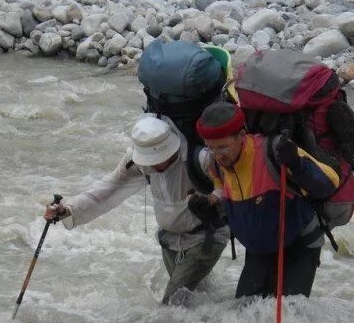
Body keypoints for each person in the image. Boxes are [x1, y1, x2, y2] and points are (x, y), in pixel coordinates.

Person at [43, 116, 229, 305]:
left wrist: (211, 199)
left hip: (205, 238)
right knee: (195, 301)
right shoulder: (138, 162)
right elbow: (107, 189)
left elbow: (232, 185)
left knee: (172, 305)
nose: (153, 166)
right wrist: (66, 209)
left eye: (158, 160)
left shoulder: (201, 158)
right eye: (150, 161)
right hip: (170, 241)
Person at [191, 102, 341, 299]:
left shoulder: (274, 151)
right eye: (211, 148)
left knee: (291, 317)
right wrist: (209, 208)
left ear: (242, 135)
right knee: (245, 317)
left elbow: (330, 183)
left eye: (223, 147)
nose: (218, 155)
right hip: (260, 249)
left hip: (298, 245)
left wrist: (296, 163)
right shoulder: (216, 164)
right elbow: (226, 197)